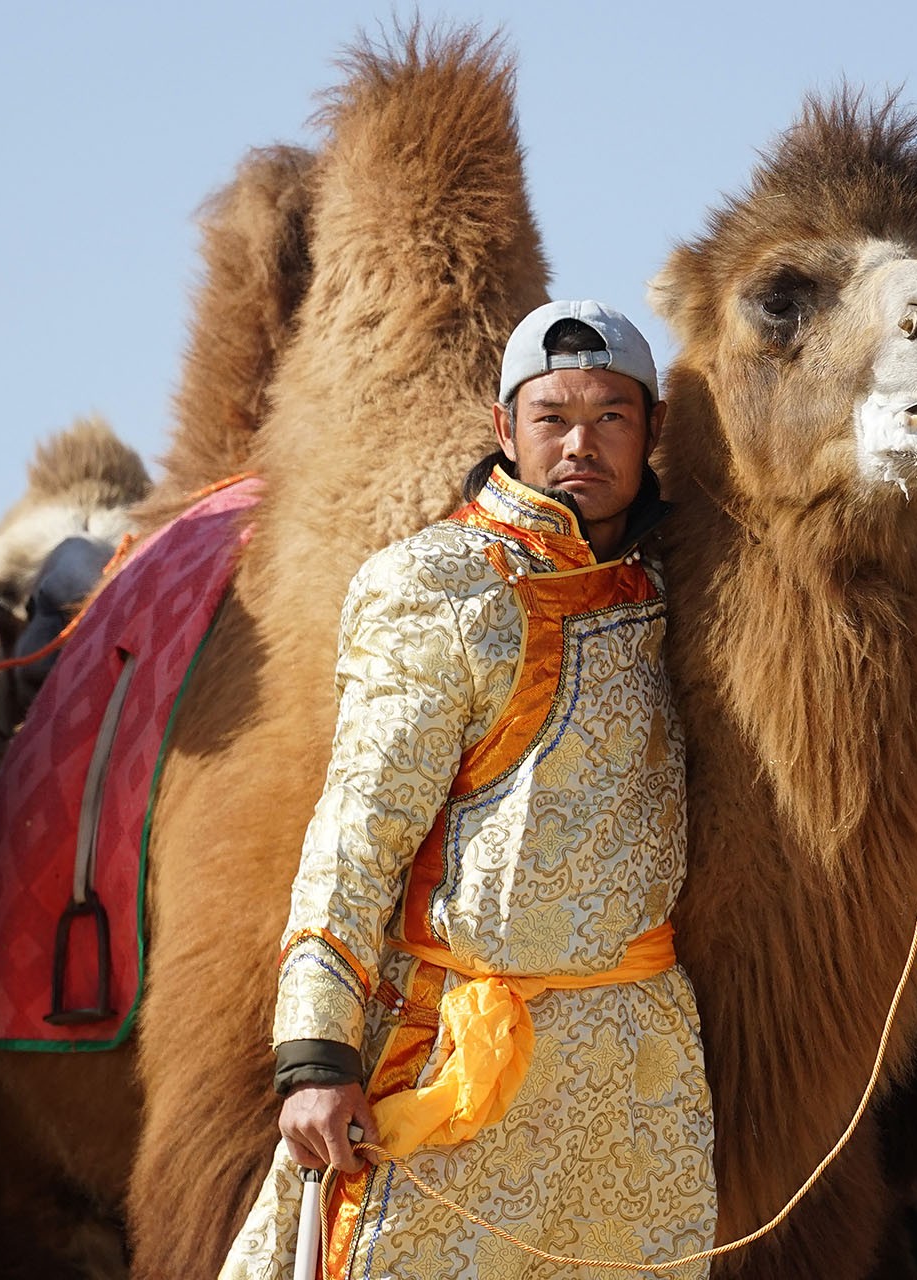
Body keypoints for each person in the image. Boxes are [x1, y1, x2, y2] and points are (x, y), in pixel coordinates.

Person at [222, 300, 717, 1278]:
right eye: (554, 416)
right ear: (506, 428)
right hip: (463, 1060)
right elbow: (358, 826)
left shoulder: (685, 588)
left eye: (612, 415)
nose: (582, 442)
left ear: (652, 429)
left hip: (636, 1078)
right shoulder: (438, 585)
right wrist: (317, 1052)